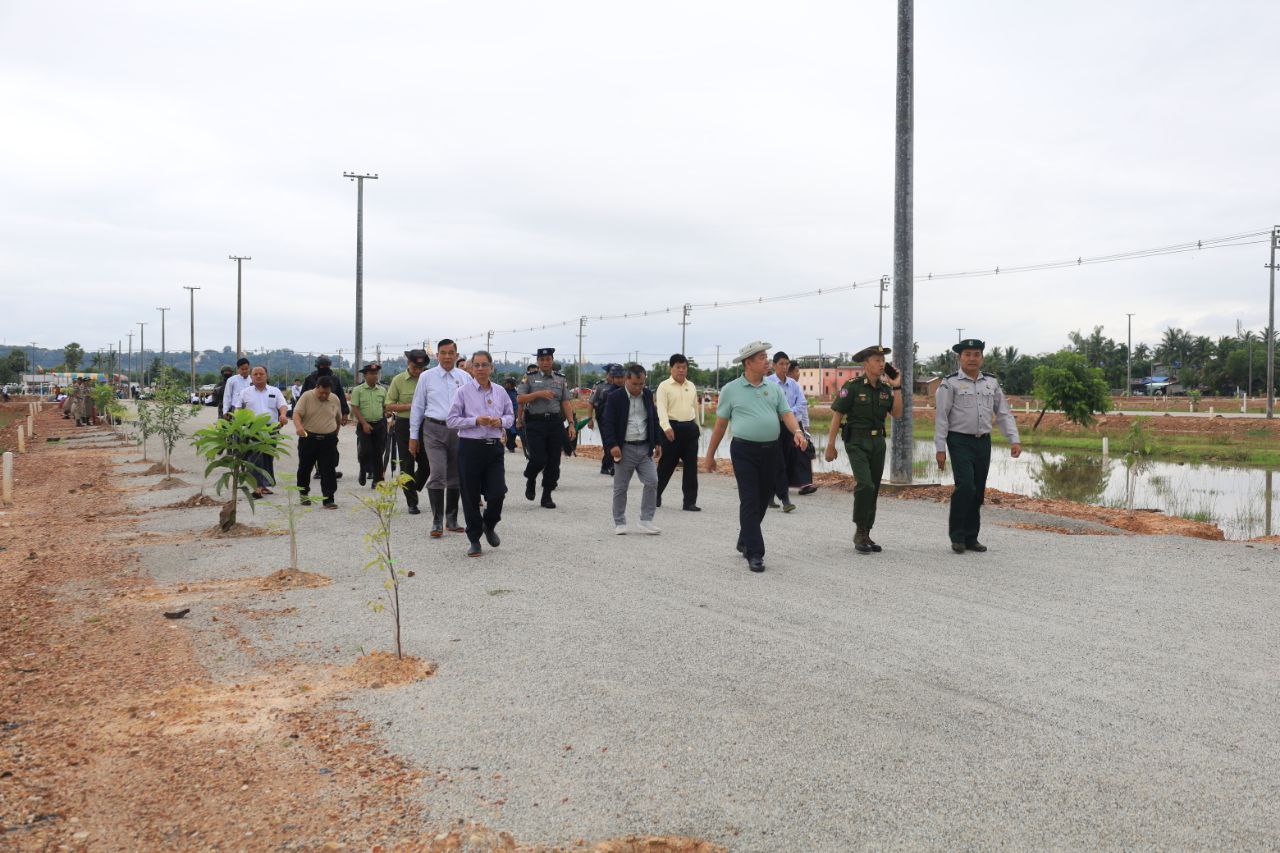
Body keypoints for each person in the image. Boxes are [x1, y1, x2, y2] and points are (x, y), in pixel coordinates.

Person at [702, 341, 808, 573]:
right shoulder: (731, 389)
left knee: (762, 499)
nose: (767, 361)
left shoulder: (774, 388)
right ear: (748, 363)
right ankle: (755, 553)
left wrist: (797, 432)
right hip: (744, 451)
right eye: (762, 358)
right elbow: (720, 425)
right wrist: (709, 456)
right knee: (750, 499)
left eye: (766, 356)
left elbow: (786, 414)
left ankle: (745, 539)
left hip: (771, 451)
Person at [935, 339, 1021, 553]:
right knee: (965, 486)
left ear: (982, 357)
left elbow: (1003, 413)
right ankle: (957, 536)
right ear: (960, 358)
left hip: (983, 441)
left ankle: (971, 537)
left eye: (976, 354)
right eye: (967, 354)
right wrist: (940, 448)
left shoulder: (991, 382)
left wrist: (1014, 439)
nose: (972, 359)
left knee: (978, 490)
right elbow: (942, 417)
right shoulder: (949, 383)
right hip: (959, 440)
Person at [825, 345, 903, 554]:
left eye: (883, 360)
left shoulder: (885, 389)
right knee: (865, 484)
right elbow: (837, 414)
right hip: (857, 442)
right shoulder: (852, 386)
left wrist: (897, 387)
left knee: (874, 488)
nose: (881, 364)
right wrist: (831, 445)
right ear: (866, 363)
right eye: (877, 360)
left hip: (878, 443)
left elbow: (897, 413)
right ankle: (860, 530)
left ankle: (866, 532)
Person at [445, 350, 514, 557]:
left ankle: (489, 525)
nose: (481, 369)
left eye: (485, 365)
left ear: (491, 367)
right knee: (470, 495)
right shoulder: (462, 392)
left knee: (497, 493)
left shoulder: (500, 391)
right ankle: (474, 539)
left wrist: (500, 421)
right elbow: (451, 420)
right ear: (471, 368)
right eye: (477, 365)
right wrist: (475, 421)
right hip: (470, 447)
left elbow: (510, 416)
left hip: (493, 448)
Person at [409, 339, 468, 538]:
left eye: (451, 353)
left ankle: (451, 518)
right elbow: (418, 407)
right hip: (433, 429)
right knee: (437, 473)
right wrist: (413, 436)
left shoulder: (465, 377)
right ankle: (437, 520)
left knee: (455, 474)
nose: (447, 357)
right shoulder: (427, 377)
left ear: (457, 355)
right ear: (437, 355)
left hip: (458, 431)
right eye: (443, 353)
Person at [601, 364, 662, 534]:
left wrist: (657, 441)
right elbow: (607, 423)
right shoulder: (615, 397)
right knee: (621, 487)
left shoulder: (647, 394)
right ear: (627, 380)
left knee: (652, 481)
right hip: (624, 449)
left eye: (642, 384)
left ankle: (646, 520)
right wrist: (612, 445)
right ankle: (619, 522)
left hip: (644, 448)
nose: (638, 387)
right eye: (635, 384)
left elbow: (654, 419)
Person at [516, 347, 576, 508]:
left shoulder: (560, 379)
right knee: (538, 458)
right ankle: (531, 478)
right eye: (542, 360)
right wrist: (538, 394)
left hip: (555, 423)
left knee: (554, 461)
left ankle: (547, 495)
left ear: (552, 360)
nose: (545, 362)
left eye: (548, 359)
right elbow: (520, 399)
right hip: (535, 423)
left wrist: (571, 424)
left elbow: (565, 402)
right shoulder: (529, 378)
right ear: (538, 362)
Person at [385, 350, 431, 514]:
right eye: (414, 367)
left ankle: (413, 486)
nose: (418, 371)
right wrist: (412, 406)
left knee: (427, 463)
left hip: (426, 424)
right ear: (408, 364)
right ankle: (412, 502)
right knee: (407, 463)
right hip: (405, 424)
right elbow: (389, 405)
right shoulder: (398, 380)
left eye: (421, 367)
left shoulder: (429, 378)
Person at [654, 353, 700, 511]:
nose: (681, 370)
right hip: (671, 429)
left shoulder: (691, 385)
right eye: (678, 367)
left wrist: (697, 427)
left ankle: (690, 502)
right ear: (671, 368)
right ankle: (654, 495)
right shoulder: (664, 386)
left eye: (684, 367)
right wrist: (666, 427)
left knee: (691, 466)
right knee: (667, 464)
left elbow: (695, 408)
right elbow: (661, 408)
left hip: (690, 429)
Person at [235, 365, 289, 498]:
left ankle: (264, 485)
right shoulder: (245, 392)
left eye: (261, 374)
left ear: (266, 375)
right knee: (255, 457)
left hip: (271, 429)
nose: (258, 376)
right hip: (252, 429)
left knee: (267, 457)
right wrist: (239, 423)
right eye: (255, 374)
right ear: (251, 377)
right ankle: (257, 486)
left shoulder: (275, 391)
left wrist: (283, 415)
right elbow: (238, 409)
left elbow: (282, 405)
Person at [292, 375, 344, 508]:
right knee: (305, 468)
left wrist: (335, 435)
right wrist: (299, 427)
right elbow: (296, 414)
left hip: (328, 440)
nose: (324, 396)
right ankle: (304, 495)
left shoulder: (334, 398)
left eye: (327, 393)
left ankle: (328, 499)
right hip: (309, 438)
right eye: (322, 393)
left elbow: (338, 419)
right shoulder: (306, 396)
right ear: (317, 387)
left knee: (328, 470)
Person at [764, 352, 804, 512]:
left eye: (787, 364)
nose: (784, 367)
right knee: (777, 461)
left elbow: (801, 403)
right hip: (772, 426)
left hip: (790, 426)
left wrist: (786, 412)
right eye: (781, 364)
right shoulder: (767, 383)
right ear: (774, 365)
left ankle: (770, 495)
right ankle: (785, 499)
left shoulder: (794, 384)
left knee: (786, 461)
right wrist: (779, 414)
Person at [301, 356, 350, 479]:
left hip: (330, 416)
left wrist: (344, 413)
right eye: (322, 367)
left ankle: (329, 469)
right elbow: (302, 397)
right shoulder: (310, 379)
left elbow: (340, 396)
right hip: (313, 417)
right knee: (313, 446)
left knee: (331, 444)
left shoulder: (335, 379)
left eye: (327, 367)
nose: (325, 369)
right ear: (317, 366)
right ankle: (319, 470)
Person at [349, 363, 388, 488]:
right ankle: (363, 468)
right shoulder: (358, 390)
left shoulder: (382, 390)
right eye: (371, 374)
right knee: (366, 451)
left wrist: (387, 412)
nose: (374, 376)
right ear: (365, 375)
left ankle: (378, 480)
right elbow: (355, 407)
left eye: (376, 373)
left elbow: (385, 406)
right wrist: (364, 423)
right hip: (364, 424)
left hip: (379, 424)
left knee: (378, 452)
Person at [788, 361, 818, 496]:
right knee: (785, 454)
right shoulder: (777, 386)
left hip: (798, 425)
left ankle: (805, 484)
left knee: (803, 453)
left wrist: (806, 426)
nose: (798, 374)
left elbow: (803, 407)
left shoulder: (797, 387)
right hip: (784, 425)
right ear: (789, 372)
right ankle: (781, 483)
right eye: (796, 371)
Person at [589, 364, 625, 475]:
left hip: (619, 420)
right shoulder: (600, 386)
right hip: (603, 419)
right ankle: (611, 466)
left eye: (620, 376)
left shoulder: (625, 388)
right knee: (608, 443)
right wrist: (590, 419)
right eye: (614, 375)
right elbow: (591, 403)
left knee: (615, 443)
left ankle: (606, 465)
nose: (618, 378)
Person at [503, 376, 520, 452]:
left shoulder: (516, 392)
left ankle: (511, 444)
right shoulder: (503, 391)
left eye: (507, 383)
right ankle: (511, 445)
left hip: (515, 412)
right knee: (509, 430)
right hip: (506, 413)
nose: (506, 384)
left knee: (515, 430)